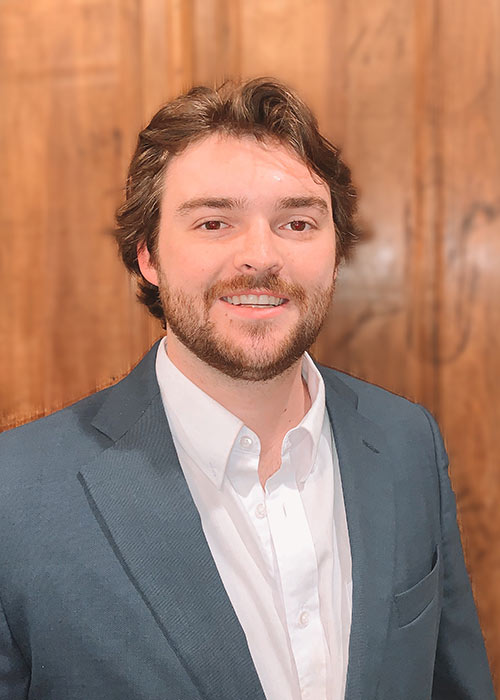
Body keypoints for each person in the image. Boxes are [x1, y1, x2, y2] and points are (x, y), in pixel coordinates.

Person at [0, 78, 495, 700]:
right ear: (147, 254)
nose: (260, 256)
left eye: (297, 222)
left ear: (336, 249)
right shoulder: (14, 498)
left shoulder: (406, 441)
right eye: (214, 222)